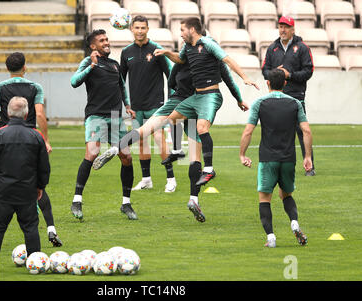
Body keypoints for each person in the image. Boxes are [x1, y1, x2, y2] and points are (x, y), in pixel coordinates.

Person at [94, 17, 255, 191]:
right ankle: (117, 149)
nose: (180, 35)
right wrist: (166, 54)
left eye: (182, 31)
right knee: (156, 126)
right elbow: (173, 73)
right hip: (182, 101)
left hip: (201, 100)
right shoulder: (185, 52)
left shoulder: (209, 54)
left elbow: (228, 76)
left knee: (196, 147)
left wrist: (241, 91)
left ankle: (194, 186)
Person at [94, 55, 245, 222]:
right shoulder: (213, 62)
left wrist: (177, 98)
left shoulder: (183, 60)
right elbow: (229, 81)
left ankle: (115, 148)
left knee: (145, 129)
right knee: (195, 155)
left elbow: (171, 82)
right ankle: (193, 199)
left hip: (176, 100)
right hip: (197, 103)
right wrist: (239, 100)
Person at [0, 52, 62, 247]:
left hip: (2, 139)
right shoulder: (35, 87)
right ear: (25, 67)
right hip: (30, 139)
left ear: (7, 69)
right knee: (36, 185)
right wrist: (46, 139)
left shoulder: (0, 87)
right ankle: (51, 230)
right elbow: (40, 114)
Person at [70, 29, 137, 220]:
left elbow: (122, 87)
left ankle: (126, 203)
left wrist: (128, 106)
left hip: (116, 117)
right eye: (102, 40)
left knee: (127, 158)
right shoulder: (88, 61)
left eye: (107, 39)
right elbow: (74, 81)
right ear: (93, 46)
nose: (106, 42)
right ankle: (77, 201)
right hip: (96, 116)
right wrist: (91, 65)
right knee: (92, 153)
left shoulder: (115, 65)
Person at [239, 69, 311, 248]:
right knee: (286, 194)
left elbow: (248, 131)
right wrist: (307, 156)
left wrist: (242, 154)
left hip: (267, 159)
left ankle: (271, 238)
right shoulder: (295, 103)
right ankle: (294, 222)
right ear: (285, 84)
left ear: (268, 83)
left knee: (265, 198)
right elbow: (306, 131)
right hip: (288, 158)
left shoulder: (259, 103)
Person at [0, 97, 50, 272]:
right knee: (31, 227)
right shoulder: (36, 136)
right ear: (26, 114)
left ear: (8, 113)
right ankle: (35, 263)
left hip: (3, 191)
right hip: (27, 191)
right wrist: (40, 186)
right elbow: (44, 167)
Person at [120, 15, 177, 193]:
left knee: (160, 139)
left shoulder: (157, 50)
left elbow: (171, 76)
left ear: (147, 29)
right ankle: (146, 179)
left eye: (143, 28)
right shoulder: (126, 52)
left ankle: (171, 179)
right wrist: (127, 104)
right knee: (142, 142)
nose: (140, 31)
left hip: (157, 104)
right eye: (137, 28)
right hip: (137, 106)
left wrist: (171, 102)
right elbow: (121, 81)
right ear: (131, 29)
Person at [261, 16, 315, 176]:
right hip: (276, 95)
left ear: (293, 29)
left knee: (302, 130)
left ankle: (310, 166)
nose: (282, 30)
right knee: (275, 130)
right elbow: (264, 70)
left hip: (296, 95)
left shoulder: (302, 47)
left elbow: (309, 71)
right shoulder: (272, 48)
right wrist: (274, 74)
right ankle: (276, 165)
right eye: (281, 26)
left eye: (286, 27)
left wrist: (289, 75)